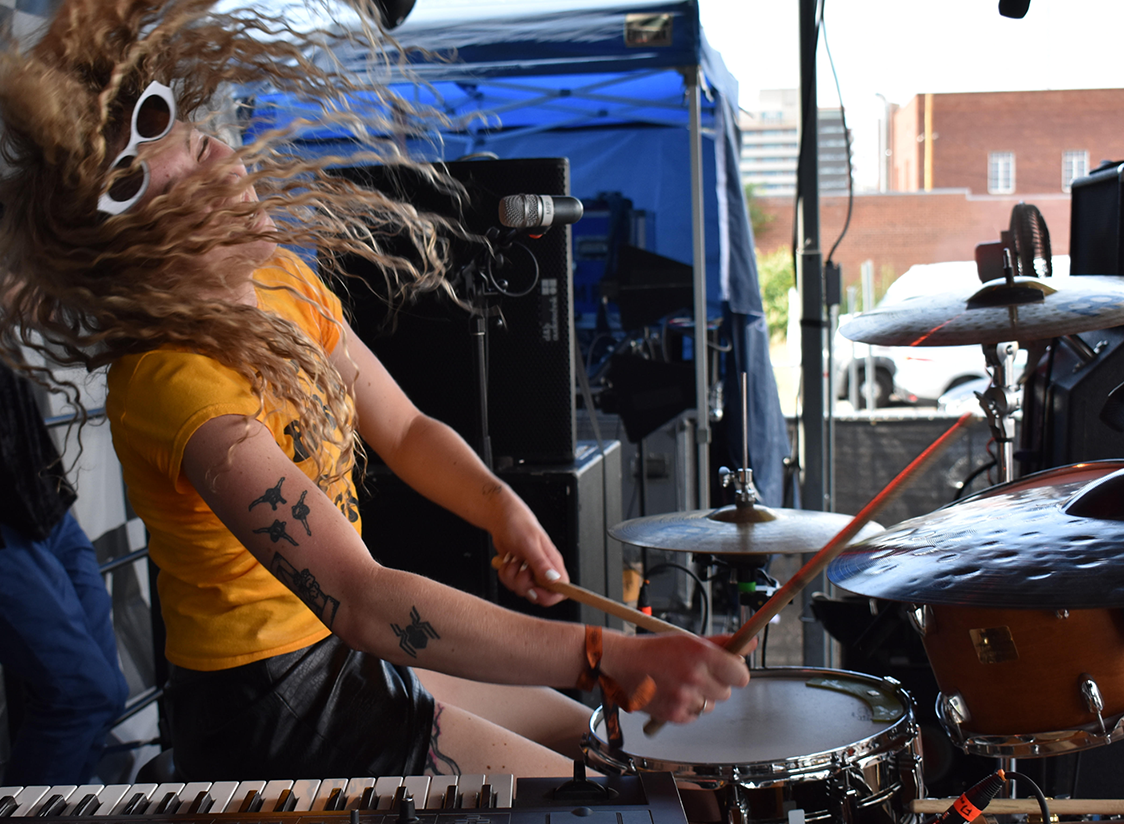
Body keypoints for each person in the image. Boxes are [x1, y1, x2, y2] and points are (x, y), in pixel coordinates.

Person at [0, 0, 750, 782]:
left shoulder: (281, 282)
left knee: (622, 753)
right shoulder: (172, 380)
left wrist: (499, 506)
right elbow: (362, 598)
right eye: (186, 188)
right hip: (274, 707)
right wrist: (602, 653)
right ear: (146, 255)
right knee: (609, 801)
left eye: (201, 142)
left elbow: (407, 429)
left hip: (347, 654)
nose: (224, 165)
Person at [0, 361, 129, 786]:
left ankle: (64, 815)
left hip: (40, 496)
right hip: (10, 529)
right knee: (82, 696)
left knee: (109, 695)